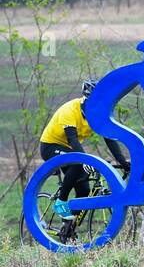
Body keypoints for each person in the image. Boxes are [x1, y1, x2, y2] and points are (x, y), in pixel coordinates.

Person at [39, 79, 131, 220]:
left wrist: (123, 162)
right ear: (85, 100)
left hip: (68, 148)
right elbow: (73, 139)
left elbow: (109, 139)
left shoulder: (98, 114)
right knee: (77, 162)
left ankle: (69, 229)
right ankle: (60, 202)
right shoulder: (69, 110)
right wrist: (85, 160)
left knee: (84, 190)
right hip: (50, 146)